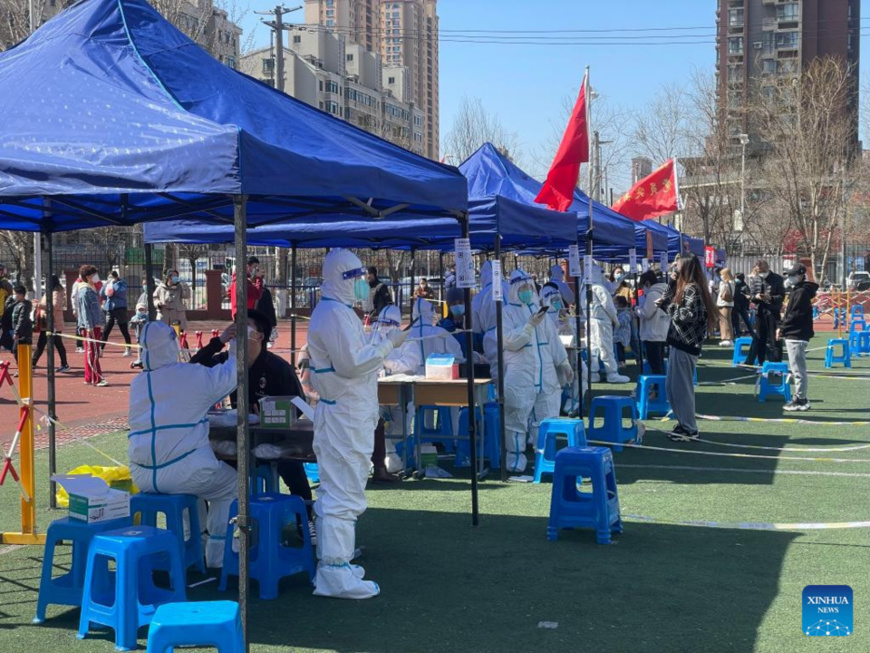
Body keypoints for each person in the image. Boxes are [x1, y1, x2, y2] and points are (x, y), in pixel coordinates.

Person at [307, 249, 408, 599]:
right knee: (342, 495)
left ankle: (338, 564)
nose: (364, 284)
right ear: (341, 279)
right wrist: (386, 345)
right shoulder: (333, 314)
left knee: (344, 490)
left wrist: (382, 345)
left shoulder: (338, 312)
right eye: (356, 278)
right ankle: (334, 573)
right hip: (343, 417)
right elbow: (351, 364)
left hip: (347, 414)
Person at [191, 310, 316, 539]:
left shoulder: (278, 368)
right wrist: (218, 342)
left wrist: (270, 413)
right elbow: (192, 369)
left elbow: (299, 406)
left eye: (244, 326)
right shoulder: (226, 363)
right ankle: (210, 531)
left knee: (292, 466)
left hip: (275, 440)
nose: (235, 330)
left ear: (259, 336)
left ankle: (306, 522)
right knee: (208, 463)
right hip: (237, 441)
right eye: (234, 325)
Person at [128, 321, 238, 568]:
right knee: (232, 484)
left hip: (143, 475)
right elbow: (231, 375)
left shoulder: (137, 384)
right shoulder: (190, 376)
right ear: (173, 345)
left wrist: (219, 341)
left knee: (191, 489)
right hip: (185, 471)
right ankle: (218, 552)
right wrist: (236, 344)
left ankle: (192, 543)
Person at [485, 270, 571, 473]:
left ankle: (545, 457)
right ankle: (515, 460)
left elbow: (553, 340)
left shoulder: (540, 310)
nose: (526, 291)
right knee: (516, 416)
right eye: (522, 288)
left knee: (547, 415)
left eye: (529, 288)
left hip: (546, 372)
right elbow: (511, 342)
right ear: (514, 290)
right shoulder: (506, 313)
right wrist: (529, 326)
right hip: (520, 373)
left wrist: (564, 363)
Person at [658, 255, 717, 442]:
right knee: (672, 389)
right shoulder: (684, 287)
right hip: (678, 342)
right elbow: (666, 300)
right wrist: (671, 283)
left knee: (682, 389)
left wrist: (668, 307)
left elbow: (689, 315)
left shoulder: (693, 289)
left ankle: (690, 428)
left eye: (677, 266)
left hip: (686, 343)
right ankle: (683, 423)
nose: (674, 268)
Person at [371, 304, 422, 476]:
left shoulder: (408, 340)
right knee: (374, 426)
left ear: (396, 324)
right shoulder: (373, 337)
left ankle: (391, 457)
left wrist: (389, 364)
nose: (384, 328)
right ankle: (383, 459)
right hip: (377, 392)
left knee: (401, 431)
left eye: (388, 324)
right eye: (382, 323)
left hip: (402, 392)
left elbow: (411, 365)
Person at [778, 263, 819, 412]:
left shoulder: (800, 292)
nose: (790, 277)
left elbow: (793, 315)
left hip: (796, 334)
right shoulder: (799, 291)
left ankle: (801, 398)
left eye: (792, 274)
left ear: (801, 275)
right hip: (796, 333)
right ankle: (800, 397)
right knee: (797, 368)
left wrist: (782, 328)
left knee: (798, 369)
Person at [540, 283, 585, 414]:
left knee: (579, 374)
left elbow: (574, 333)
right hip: (550, 358)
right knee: (557, 382)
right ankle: (559, 408)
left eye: (555, 297)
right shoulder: (541, 316)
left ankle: (571, 405)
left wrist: (568, 327)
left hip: (566, 352)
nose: (554, 301)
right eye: (550, 297)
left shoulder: (562, 314)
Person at [582, 265, 630, 384]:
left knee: (592, 348)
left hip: (590, 321)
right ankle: (612, 373)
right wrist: (615, 319)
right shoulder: (599, 288)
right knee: (606, 347)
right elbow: (609, 306)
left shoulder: (584, 288)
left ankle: (593, 373)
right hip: (602, 322)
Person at [745, 259, 785, 365]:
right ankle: (761, 363)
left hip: (773, 312)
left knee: (775, 339)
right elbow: (752, 295)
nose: (759, 272)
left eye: (761, 270)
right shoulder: (755, 279)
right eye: (758, 270)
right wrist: (756, 297)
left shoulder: (777, 279)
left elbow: (781, 296)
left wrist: (770, 298)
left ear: (766, 268)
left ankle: (777, 364)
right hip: (760, 311)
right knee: (759, 339)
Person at [76, 265, 107, 387]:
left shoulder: (92, 288)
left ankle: (89, 377)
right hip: (91, 326)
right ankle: (96, 378)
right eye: (94, 275)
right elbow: (85, 311)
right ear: (88, 277)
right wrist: (89, 327)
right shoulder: (84, 291)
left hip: (96, 324)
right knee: (92, 352)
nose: (96, 277)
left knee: (92, 351)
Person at [32, 275, 70, 372]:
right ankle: (33, 363)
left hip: (53, 322)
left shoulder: (55, 292)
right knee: (43, 343)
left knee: (55, 343)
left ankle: (64, 364)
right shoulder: (50, 291)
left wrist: (39, 305)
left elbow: (54, 305)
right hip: (47, 322)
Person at [635, 269, 669, 375]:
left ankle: (657, 389)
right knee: (659, 362)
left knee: (655, 365)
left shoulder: (652, 294)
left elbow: (646, 313)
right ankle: (660, 388)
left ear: (647, 283)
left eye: (642, 286)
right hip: (662, 332)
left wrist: (636, 309)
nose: (643, 289)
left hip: (652, 333)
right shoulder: (665, 292)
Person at [100, 270, 132, 356]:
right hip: (110, 309)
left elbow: (120, 292)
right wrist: (106, 285)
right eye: (109, 277)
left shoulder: (122, 283)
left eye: (112, 277)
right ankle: (101, 349)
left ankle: (128, 349)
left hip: (120, 308)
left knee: (124, 329)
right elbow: (102, 294)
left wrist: (114, 283)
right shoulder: (108, 284)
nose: (111, 279)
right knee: (106, 330)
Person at [253, 271, 278, 349]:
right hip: (258, 316)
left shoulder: (265, 292)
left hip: (260, 316)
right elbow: (270, 307)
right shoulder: (255, 291)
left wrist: (273, 323)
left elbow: (270, 307)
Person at [10, 285, 32, 367]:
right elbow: (7, 308)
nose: (14, 296)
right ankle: (22, 367)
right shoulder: (17, 304)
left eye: (15, 294)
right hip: (18, 330)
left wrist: (17, 332)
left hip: (24, 332)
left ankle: (23, 367)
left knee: (18, 350)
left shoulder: (25, 305)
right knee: (16, 350)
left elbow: (22, 319)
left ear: (21, 294)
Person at [731, 272, 755, 339]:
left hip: (742, 306)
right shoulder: (735, 285)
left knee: (746, 320)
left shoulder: (745, 286)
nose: (735, 279)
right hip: (735, 306)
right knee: (735, 321)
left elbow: (749, 296)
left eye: (736, 278)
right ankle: (737, 334)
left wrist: (745, 296)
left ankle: (752, 333)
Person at [716, 268, 736, 347]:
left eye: (722, 274)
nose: (721, 276)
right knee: (725, 321)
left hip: (725, 303)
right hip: (726, 304)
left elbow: (723, 293)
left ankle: (727, 338)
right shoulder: (731, 282)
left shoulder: (727, 283)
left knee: (725, 321)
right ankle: (727, 338)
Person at [613, 295, 632, 368]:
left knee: (620, 349)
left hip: (622, 335)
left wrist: (615, 321)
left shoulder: (625, 313)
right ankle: (620, 361)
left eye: (616, 303)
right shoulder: (618, 313)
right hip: (618, 334)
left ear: (621, 304)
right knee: (619, 349)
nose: (615, 305)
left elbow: (623, 322)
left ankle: (622, 362)